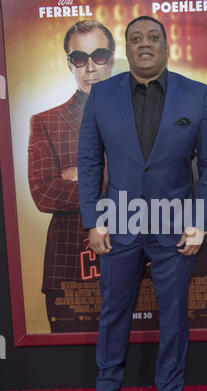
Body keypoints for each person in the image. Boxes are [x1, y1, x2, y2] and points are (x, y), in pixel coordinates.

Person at [78, 16, 207, 391]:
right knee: (113, 311)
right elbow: (89, 162)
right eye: (136, 38)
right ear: (126, 48)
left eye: (153, 38)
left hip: (176, 227)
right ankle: (106, 389)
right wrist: (94, 219)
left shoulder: (196, 96)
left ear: (166, 46)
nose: (145, 44)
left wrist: (199, 220)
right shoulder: (101, 95)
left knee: (175, 313)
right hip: (117, 221)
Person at [28, 21, 115, 332]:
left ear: (113, 59)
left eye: (99, 55)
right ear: (69, 64)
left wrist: (87, 176)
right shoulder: (45, 121)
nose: (89, 67)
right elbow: (44, 192)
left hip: (137, 257)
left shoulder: (142, 114)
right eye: (80, 58)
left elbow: (155, 179)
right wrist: (118, 182)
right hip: (70, 263)